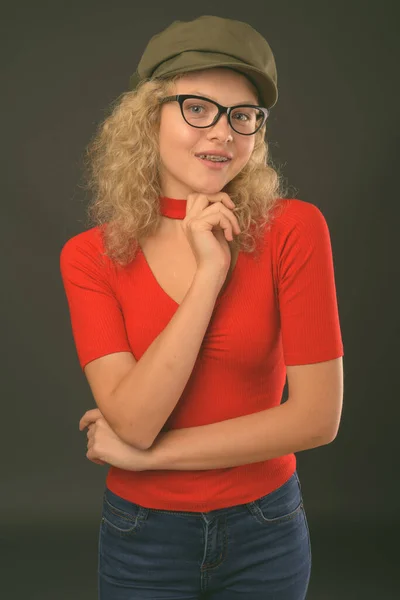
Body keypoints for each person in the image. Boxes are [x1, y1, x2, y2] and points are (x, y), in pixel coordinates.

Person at [60, 14, 344, 600]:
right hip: (142, 537)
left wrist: (148, 458)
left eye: (243, 116)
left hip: (267, 529)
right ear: (148, 118)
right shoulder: (89, 257)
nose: (222, 133)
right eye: (197, 107)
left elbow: (317, 419)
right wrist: (207, 278)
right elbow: (134, 420)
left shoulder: (294, 229)